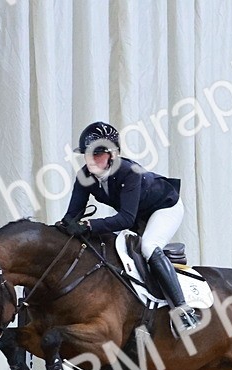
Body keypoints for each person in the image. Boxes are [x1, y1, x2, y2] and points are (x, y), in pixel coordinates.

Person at [59, 121, 200, 333]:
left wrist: (89, 224)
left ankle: (184, 311)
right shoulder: (85, 176)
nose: (90, 160)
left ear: (113, 154)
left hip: (164, 207)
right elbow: (72, 215)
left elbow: (125, 219)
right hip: (136, 214)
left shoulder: (129, 172)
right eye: (87, 155)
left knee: (149, 247)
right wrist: (61, 228)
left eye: (97, 154)